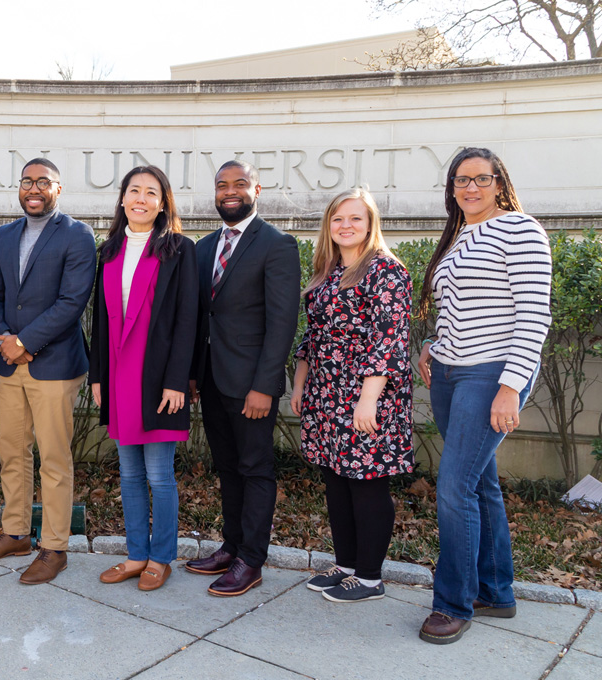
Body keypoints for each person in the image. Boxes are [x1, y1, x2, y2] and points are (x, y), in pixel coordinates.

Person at [415, 148, 551, 644]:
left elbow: (533, 314)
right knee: (479, 484)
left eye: (481, 178)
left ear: (499, 183)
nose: (470, 187)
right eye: (461, 180)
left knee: (454, 487)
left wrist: (510, 387)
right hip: (450, 374)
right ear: (451, 188)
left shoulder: (520, 229)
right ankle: (495, 591)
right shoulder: (459, 236)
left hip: (491, 374)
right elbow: (462, 308)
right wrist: (433, 344)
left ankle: (453, 603)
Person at [0, 158, 96, 585]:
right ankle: (16, 533)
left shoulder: (77, 235)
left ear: (58, 188)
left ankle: (54, 547)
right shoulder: (5, 235)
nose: (34, 189)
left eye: (43, 182)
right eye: (27, 181)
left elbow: (72, 302)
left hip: (54, 364)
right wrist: (5, 339)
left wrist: (24, 342)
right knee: (12, 452)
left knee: (54, 458)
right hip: (10, 364)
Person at [289, 188, 413, 603]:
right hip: (326, 392)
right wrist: (301, 383)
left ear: (370, 223)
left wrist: (368, 399)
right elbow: (313, 335)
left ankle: (370, 577)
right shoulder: (327, 271)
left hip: (366, 394)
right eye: (338, 218)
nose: (346, 225)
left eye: (356, 218)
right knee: (336, 479)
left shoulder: (385, 271)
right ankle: (346, 565)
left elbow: (388, 340)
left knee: (366, 482)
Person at [185, 160, 301, 597]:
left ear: (257, 189)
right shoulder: (203, 248)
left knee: (255, 469)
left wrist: (264, 386)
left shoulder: (277, 244)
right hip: (212, 381)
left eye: (239, 184)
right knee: (228, 467)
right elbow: (201, 318)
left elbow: (282, 323)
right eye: (222, 185)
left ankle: (251, 560)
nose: (229, 191)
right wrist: (193, 375)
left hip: (252, 384)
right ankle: (231, 547)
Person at [88, 166, 197, 592]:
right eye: (134, 190)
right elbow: (100, 319)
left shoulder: (179, 250)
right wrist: (98, 376)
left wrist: (177, 380)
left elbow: (188, 320)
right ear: (122, 199)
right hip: (118, 374)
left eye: (152, 192)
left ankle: (161, 557)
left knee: (159, 475)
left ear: (163, 203)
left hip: (158, 377)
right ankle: (136, 555)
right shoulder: (109, 251)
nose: (141, 198)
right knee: (129, 473)